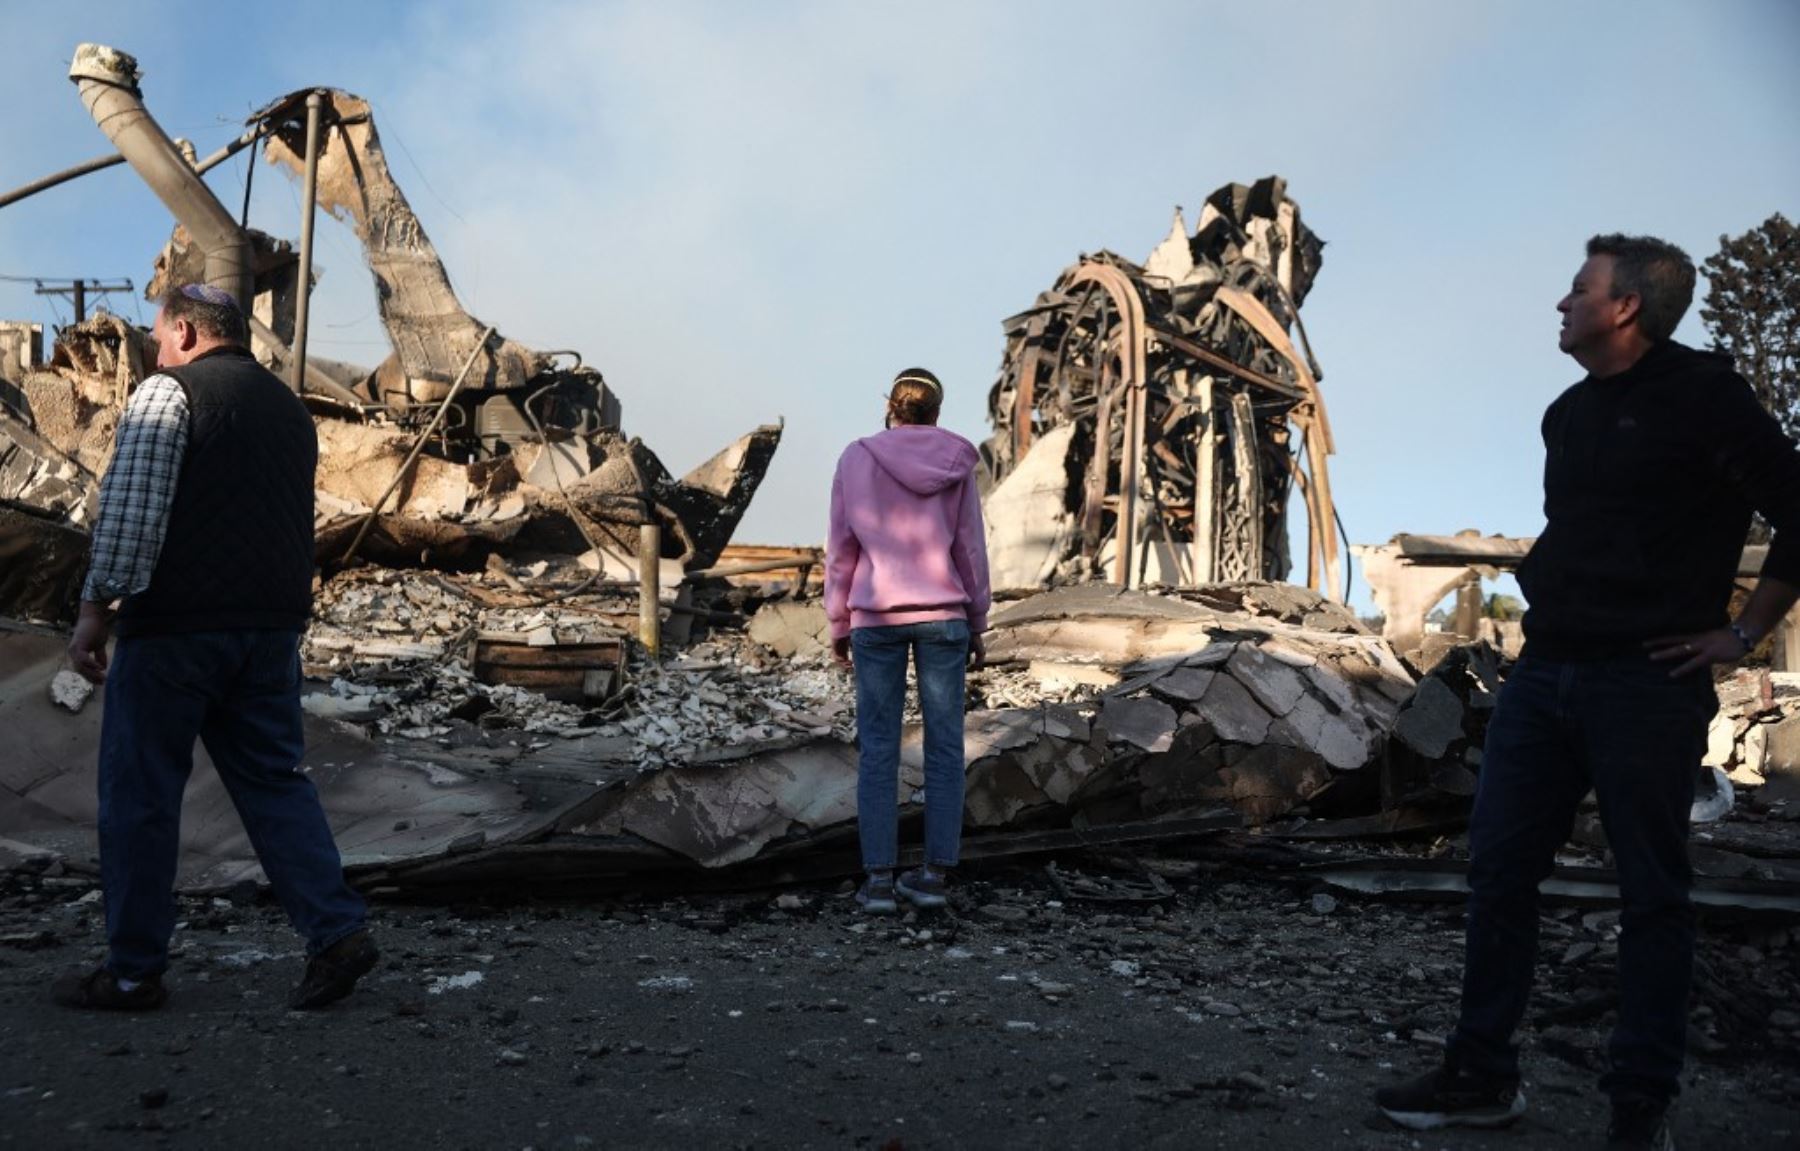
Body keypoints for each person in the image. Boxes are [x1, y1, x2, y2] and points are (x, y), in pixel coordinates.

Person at [1374, 235, 1800, 1149]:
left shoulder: (1707, 397)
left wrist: (1742, 633)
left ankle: (1638, 1108)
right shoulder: (1566, 414)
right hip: (1544, 673)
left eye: (1579, 289)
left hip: (1647, 680)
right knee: (1497, 871)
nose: (1561, 304)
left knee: (1652, 891)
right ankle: (1479, 1073)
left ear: (1626, 308)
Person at [56, 283, 377, 1012]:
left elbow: (132, 517)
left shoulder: (167, 395)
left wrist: (92, 614)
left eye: (160, 338)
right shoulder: (291, 412)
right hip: (268, 633)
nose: (156, 352)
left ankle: (133, 971)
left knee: (140, 796)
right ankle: (336, 931)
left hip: (175, 631)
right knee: (274, 781)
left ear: (189, 334)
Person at [826, 367, 991, 915]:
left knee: (878, 749)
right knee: (945, 748)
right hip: (944, 616)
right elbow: (969, 546)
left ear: (889, 407)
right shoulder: (957, 462)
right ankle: (933, 877)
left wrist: (838, 621)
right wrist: (978, 618)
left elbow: (841, 549)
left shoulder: (856, 457)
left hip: (875, 619)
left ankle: (877, 881)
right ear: (937, 413)